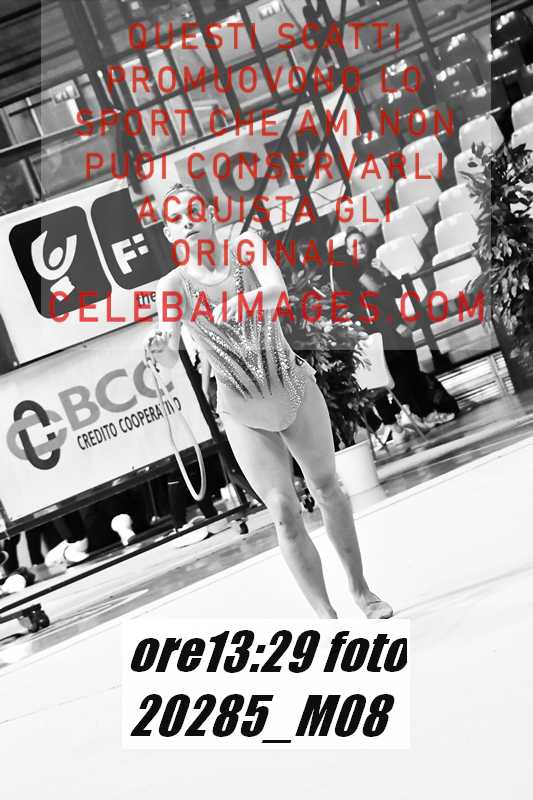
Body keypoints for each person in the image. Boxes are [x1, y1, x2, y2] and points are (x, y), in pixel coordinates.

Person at [145, 182, 392, 620]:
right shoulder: (173, 285)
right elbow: (166, 352)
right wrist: (159, 348)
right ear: (169, 232)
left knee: (328, 488)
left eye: (194, 211)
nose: (188, 221)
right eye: (177, 218)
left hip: (292, 385)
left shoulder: (245, 247)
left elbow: (277, 292)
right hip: (242, 409)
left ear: (210, 214)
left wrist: (246, 302)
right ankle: (327, 617)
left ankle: (362, 591)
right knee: (281, 509)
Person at [330, 227, 455, 437]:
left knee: (411, 369)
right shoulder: (354, 273)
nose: (360, 247)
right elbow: (376, 301)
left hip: (393, 326)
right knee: (400, 372)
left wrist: (385, 271)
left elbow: (396, 291)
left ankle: (418, 414)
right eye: (355, 245)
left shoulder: (373, 267)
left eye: (362, 242)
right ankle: (411, 415)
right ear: (349, 251)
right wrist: (395, 324)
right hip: (383, 329)